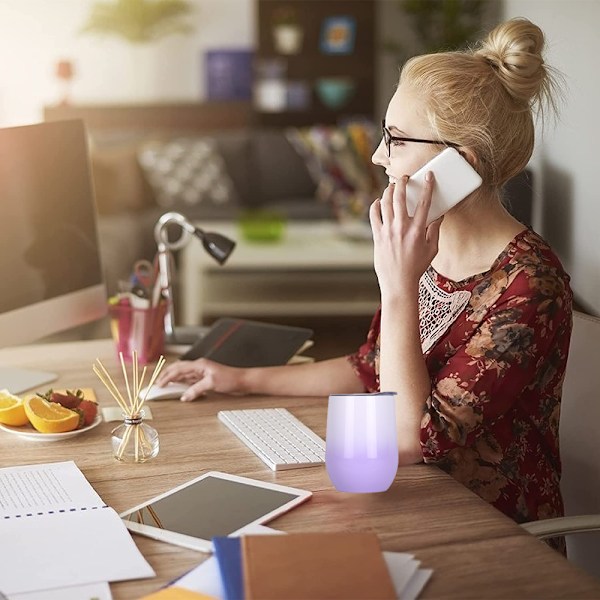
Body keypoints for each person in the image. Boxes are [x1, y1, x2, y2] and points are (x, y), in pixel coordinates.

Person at [157, 17, 572, 542]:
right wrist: (238, 380)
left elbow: (408, 438)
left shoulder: (531, 284)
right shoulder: (428, 246)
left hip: (487, 534)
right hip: (406, 502)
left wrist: (398, 286)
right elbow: (371, 369)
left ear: (459, 163)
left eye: (395, 140)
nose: (378, 156)